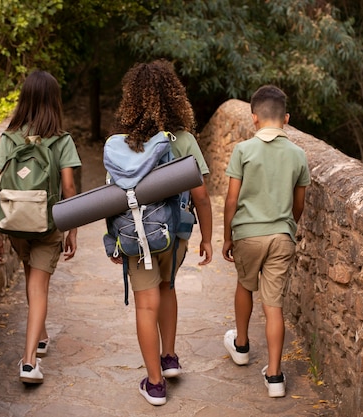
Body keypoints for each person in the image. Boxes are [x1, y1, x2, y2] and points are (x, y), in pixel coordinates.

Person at [107, 59, 213, 406]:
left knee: (145, 304)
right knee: (167, 288)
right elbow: (200, 196)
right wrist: (208, 238)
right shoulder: (182, 140)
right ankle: (169, 358)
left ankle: (154, 384)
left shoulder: (121, 144)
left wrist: (113, 241)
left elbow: (111, 198)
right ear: (174, 96)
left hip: (138, 237)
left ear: (131, 100)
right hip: (176, 234)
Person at [0, 70, 81, 384]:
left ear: (24, 99)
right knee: (39, 287)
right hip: (48, 224)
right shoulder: (62, 140)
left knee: (31, 278)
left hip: (15, 224)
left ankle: (40, 336)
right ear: (54, 101)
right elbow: (69, 187)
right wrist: (73, 229)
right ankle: (29, 362)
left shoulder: (9, 137)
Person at [222, 85, 310, 398]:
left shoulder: (243, 151)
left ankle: (242, 346)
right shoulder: (298, 154)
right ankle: (275, 376)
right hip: (281, 236)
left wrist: (227, 237)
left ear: (254, 118)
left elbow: (231, 200)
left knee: (245, 285)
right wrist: (287, 226)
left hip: (247, 233)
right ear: (286, 118)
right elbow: (298, 204)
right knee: (274, 306)